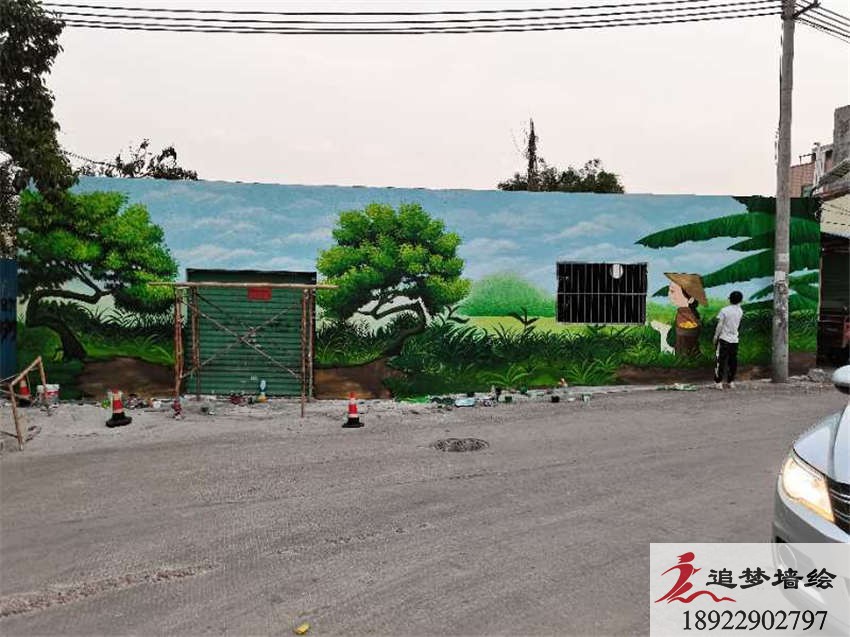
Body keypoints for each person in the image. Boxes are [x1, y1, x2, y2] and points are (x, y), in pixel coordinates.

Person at [663, 273, 708, 358]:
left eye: (672, 291)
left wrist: (667, 331)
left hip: (684, 356)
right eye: (669, 290)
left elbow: (677, 339)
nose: (669, 294)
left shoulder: (685, 315)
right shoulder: (687, 313)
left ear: (690, 299)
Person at [714, 290, 744, 389]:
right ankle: (731, 382)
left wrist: (716, 336)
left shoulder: (724, 310)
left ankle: (719, 382)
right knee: (732, 361)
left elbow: (720, 325)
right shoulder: (740, 311)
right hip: (734, 340)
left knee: (720, 360)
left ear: (729, 299)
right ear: (741, 300)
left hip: (724, 338)